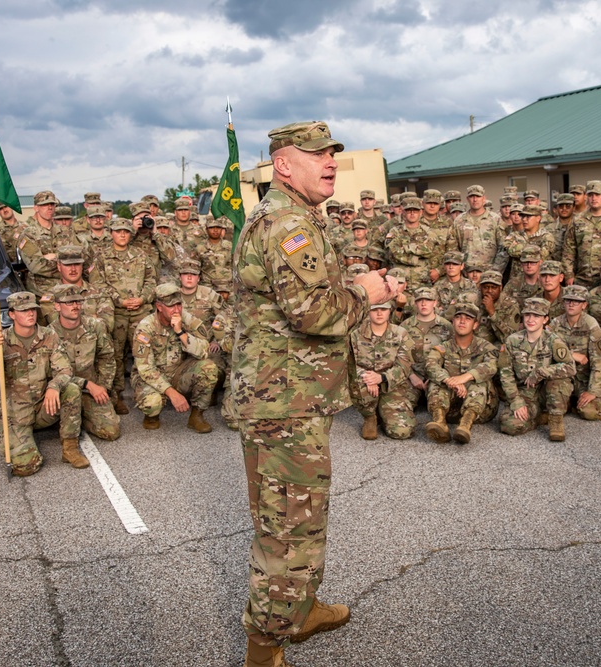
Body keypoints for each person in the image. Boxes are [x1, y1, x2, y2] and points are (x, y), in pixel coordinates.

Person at [229, 121, 396, 665]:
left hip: (294, 398)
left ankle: (300, 611)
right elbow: (314, 312)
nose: (330, 162)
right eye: (317, 154)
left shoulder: (301, 217)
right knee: (287, 530)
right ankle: (264, 650)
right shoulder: (286, 225)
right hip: (284, 405)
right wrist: (364, 292)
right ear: (283, 164)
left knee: (299, 518)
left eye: (333, 154)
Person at [0, 291, 83, 475]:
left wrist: (53, 387)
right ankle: (22, 441)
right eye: (24, 310)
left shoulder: (48, 335)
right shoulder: (2, 340)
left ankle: (70, 447)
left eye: (33, 309)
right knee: (27, 467)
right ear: (11, 314)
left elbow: (65, 370)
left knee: (71, 389)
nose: (30, 314)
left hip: (43, 406)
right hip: (15, 414)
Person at [130, 284, 218, 433]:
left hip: (178, 370)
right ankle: (152, 415)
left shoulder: (186, 319)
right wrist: (172, 393)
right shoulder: (145, 328)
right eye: (171, 306)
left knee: (209, 368)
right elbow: (145, 369)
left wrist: (180, 332)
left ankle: (196, 415)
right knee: (152, 404)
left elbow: (204, 350)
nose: (177, 310)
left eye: (179, 305)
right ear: (159, 306)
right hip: (152, 375)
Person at [49, 284, 120, 443]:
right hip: (64, 392)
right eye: (69, 303)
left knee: (111, 432)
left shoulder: (95, 326)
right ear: (57, 306)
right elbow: (52, 373)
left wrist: (103, 387)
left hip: (91, 390)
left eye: (78, 302)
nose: (75, 306)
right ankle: (71, 419)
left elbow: (106, 357)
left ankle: (83, 417)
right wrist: (87, 384)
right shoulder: (49, 334)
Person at [498, 297, 576, 441]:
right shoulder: (512, 341)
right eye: (527, 315)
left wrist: (541, 372)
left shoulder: (553, 340)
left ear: (545, 319)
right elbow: (505, 373)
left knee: (560, 380)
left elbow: (571, 367)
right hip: (525, 393)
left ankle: (555, 419)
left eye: (536, 316)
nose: (530, 319)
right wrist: (516, 401)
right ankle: (538, 417)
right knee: (509, 426)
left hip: (546, 392)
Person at [424, 302, 500, 444]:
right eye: (458, 317)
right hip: (450, 410)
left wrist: (464, 378)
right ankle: (440, 423)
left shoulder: (485, 347)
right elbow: (430, 365)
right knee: (436, 381)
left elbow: (492, 365)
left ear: (475, 325)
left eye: (468, 318)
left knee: (480, 380)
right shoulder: (443, 347)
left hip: (481, 410)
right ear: (453, 321)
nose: (462, 321)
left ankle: (465, 425)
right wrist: (449, 380)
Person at [103, 219, 157, 415]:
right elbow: (99, 285)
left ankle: (144, 394)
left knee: (142, 354)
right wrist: (120, 301)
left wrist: (143, 298)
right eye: (118, 231)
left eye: (126, 231)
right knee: (115, 356)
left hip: (139, 313)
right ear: (111, 233)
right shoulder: (102, 257)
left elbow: (151, 280)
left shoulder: (140, 255)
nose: (122, 235)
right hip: (116, 314)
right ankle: (116, 396)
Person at [348, 301, 416, 440]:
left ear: (389, 311)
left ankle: (384, 414)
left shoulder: (400, 333)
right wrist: (368, 378)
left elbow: (404, 365)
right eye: (375, 309)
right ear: (368, 312)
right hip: (365, 383)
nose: (379, 313)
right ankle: (370, 417)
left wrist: (382, 378)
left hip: (392, 385)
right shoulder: (356, 334)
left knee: (401, 432)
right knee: (358, 387)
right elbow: (349, 364)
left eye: (383, 309)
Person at [548, 284, 601, 421]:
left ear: (584, 305)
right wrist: (571, 355)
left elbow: (600, 362)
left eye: (576, 301)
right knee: (551, 407)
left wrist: (593, 391)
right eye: (568, 300)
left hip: (583, 379)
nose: (571, 304)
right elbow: (545, 349)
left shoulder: (591, 325)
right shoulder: (556, 323)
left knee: (590, 413)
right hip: (562, 376)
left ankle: (573, 401)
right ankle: (567, 401)